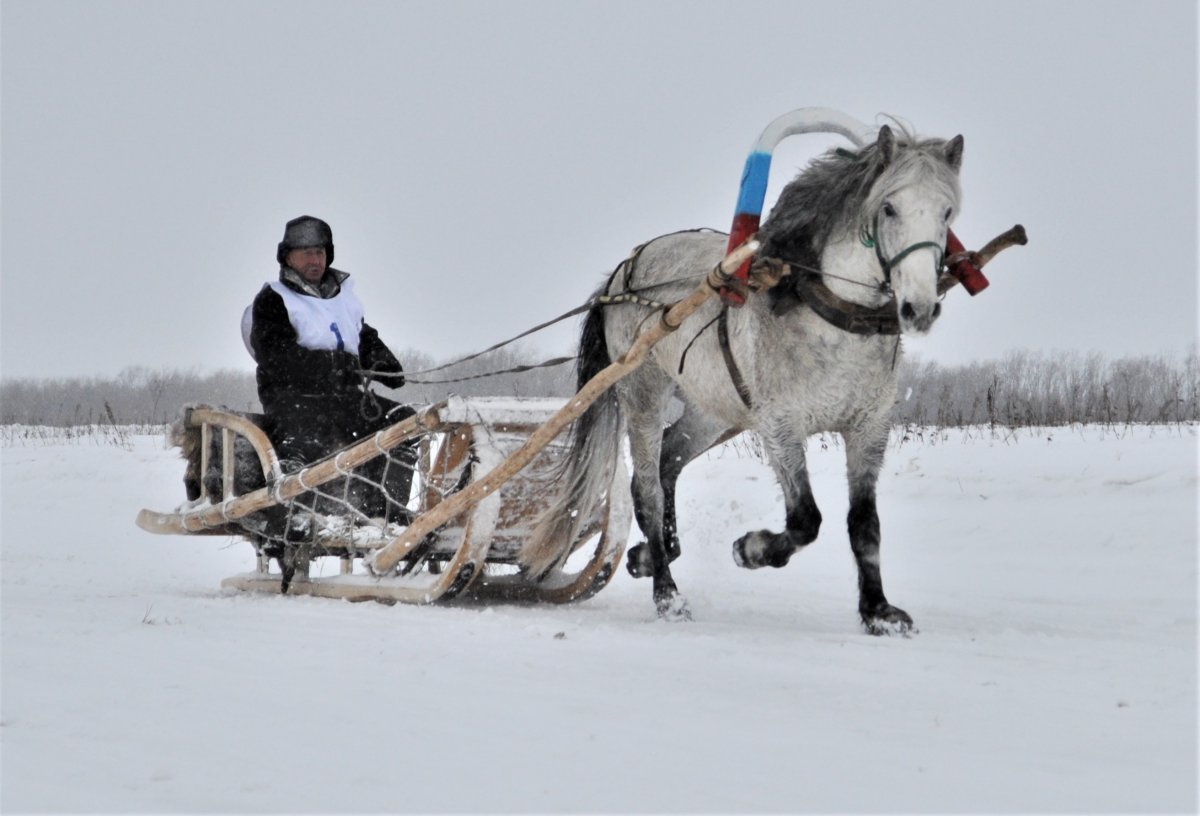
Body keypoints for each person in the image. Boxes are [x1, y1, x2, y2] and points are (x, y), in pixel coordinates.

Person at [242, 215, 415, 524]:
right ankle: (291, 515)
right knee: (304, 440)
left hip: (345, 402)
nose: (314, 260)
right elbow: (278, 358)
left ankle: (385, 509)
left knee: (404, 424)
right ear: (288, 257)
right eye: (306, 252)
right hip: (294, 401)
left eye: (320, 252)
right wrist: (335, 366)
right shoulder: (274, 299)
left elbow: (362, 337)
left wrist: (383, 363)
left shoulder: (343, 299)